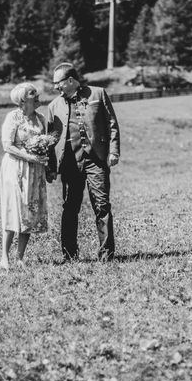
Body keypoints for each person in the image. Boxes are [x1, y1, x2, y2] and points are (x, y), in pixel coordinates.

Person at [46, 62, 120, 262]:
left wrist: (113, 151)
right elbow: (50, 141)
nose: (56, 87)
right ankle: (69, 255)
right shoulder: (53, 107)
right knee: (70, 207)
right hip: (70, 163)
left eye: (58, 83)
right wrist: (51, 168)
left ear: (70, 80)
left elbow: (112, 124)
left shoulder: (97, 94)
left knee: (102, 206)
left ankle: (106, 255)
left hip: (96, 160)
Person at [0, 82, 49, 269]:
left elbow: (45, 143)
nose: (37, 95)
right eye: (32, 93)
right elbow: (7, 145)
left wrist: (43, 155)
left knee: (29, 211)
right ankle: (4, 257)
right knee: (14, 209)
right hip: (16, 168)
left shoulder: (41, 118)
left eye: (36, 92)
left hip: (35, 171)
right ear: (22, 100)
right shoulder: (13, 117)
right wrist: (29, 156)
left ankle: (20, 258)